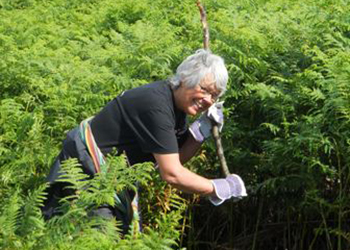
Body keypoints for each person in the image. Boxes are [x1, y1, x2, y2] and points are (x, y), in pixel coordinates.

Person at [42, 49, 247, 234]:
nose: (209, 100)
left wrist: (199, 133)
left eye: (215, 95)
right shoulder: (156, 104)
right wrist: (217, 188)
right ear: (186, 78)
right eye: (205, 90)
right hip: (84, 174)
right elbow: (171, 173)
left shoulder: (177, 110)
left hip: (112, 180)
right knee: (101, 239)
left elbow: (176, 158)